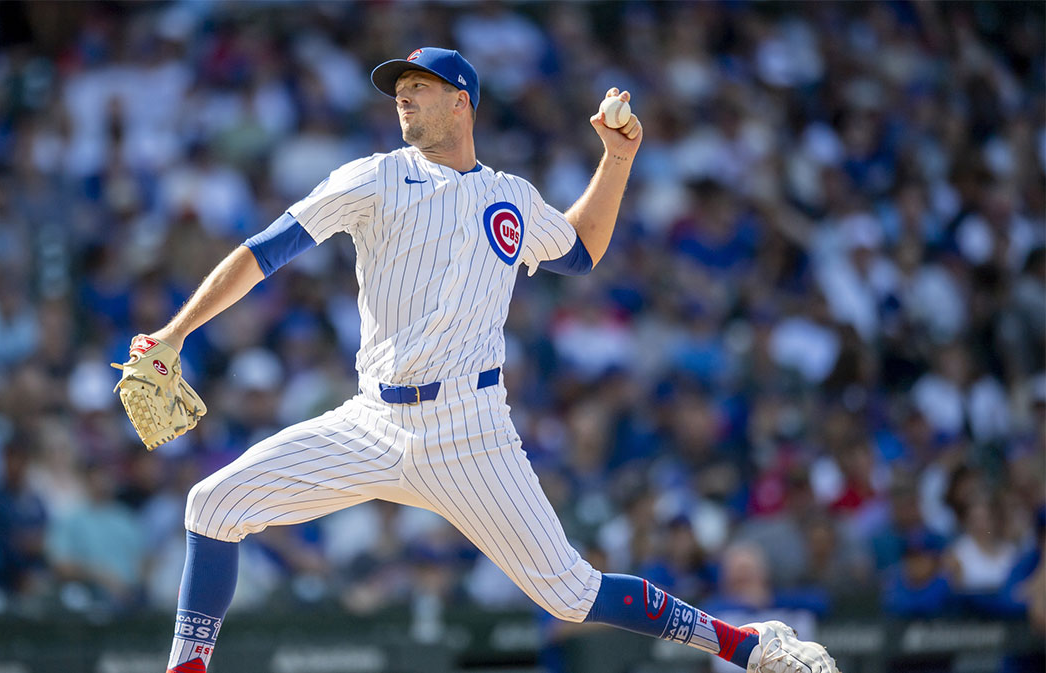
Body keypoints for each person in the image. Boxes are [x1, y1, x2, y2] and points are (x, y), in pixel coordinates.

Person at [141, 48, 838, 673]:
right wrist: (175, 332)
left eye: (421, 86)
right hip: (373, 420)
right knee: (212, 504)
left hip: (470, 430)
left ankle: (749, 645)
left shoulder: (508, 195)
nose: (403, 98)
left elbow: (580, 250)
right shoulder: (374, 178)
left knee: (570, 593)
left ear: (461, 102)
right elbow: (266, 250)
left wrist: (618, 160)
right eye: (399, 89)